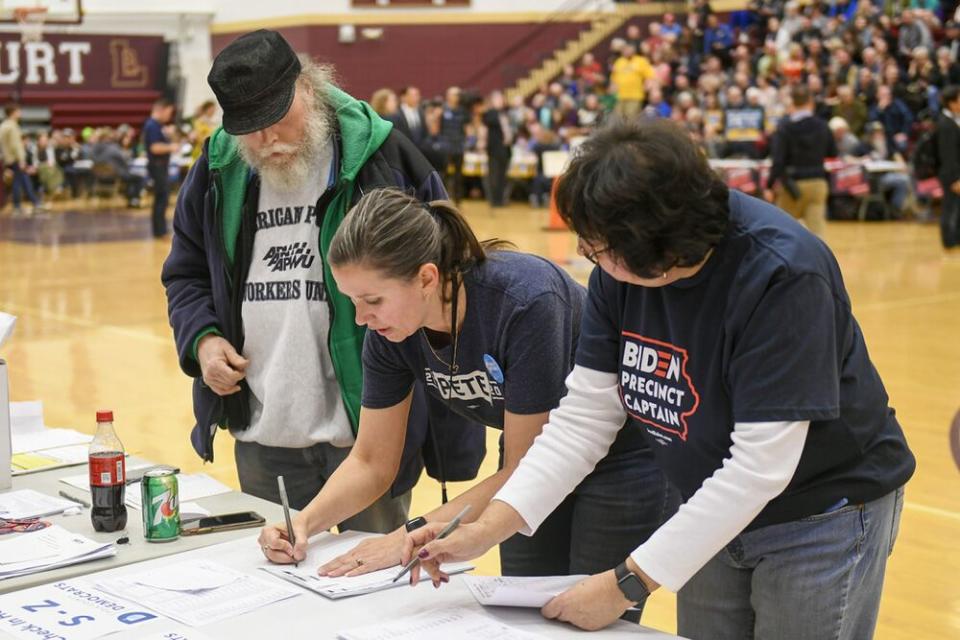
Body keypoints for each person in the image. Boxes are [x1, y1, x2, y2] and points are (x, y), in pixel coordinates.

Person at [406, 118, 915, 640]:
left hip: (819, 514)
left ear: (665, 245)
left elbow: (762, 466)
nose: (591, 258)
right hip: (710, 505)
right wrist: (487, 528)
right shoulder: (618, 271)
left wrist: (627, 584)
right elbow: (583, 419)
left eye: (600, 249)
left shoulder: (781, 273)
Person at [258, 188, 676, 597]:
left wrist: (402, 537)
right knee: (525, 610)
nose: (361, 318)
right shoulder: (389, 329)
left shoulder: (525, 300)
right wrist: (305, 524)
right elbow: (371, 460)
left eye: (372, 300)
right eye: (351, 300)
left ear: (426, 277)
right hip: (529, 458)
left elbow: (524, 467)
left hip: (621, 459)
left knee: (586, 610)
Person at [161, 29, 454, 533]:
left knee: (374, 586)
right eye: (248, 128)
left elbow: (445, 270)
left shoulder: (383, 157)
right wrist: (204, 340)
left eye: (275, 119)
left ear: (308, 89)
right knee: (280, 584)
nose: (265, 139)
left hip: (369, 430)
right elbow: (185, 273)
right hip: (263, 432)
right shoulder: (215, 170)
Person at [765, 85, 837, 237]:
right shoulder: (823, 126)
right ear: (810, 101)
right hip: (817, 183)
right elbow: (833, 152)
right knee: (817, 235)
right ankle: (818, 261)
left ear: (792, 102)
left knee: (783, 233)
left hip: (792, 185)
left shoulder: (784, 128)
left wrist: (769, 185)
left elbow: (778, 161)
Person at [143, 98, 178, 237]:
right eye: (169, 112)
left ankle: (160, 230)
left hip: (160, 166)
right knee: (161, 197)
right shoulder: (152, 125)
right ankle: (160, 231)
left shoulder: (157, 126)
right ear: (161, 110)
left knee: (162, 197)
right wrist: (171, 147)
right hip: (157, 166)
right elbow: (154, 148)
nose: (170, 116)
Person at [0, 104, 43, 216]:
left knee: (23, 179)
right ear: (13, 112)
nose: (20, 113)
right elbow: (16, 145)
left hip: (9, 157)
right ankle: (18, 206)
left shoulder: (4, 125)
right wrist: (21, 159)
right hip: (15, 158)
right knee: (17, 182)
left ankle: (35, 202)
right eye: (18, 111)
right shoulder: (12, 126)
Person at [936, 85, 960, 248]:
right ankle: (948, 240)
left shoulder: (953, 120)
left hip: (955, 173)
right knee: (949, 207)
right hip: (951, 175)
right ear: (952, 103)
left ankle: (956, 237)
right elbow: (948, 155)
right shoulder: (946, 124)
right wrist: (956, 179)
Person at [482, 90, 513, 208]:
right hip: (495, 149)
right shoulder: (491, 113)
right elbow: (488, 120)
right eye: (498, 99)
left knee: (503, 175)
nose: (501, 101)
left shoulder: (505, 113)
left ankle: (501, 199)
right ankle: (494, 200)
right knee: (494, 175)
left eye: (501, 99)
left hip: (505, 148)